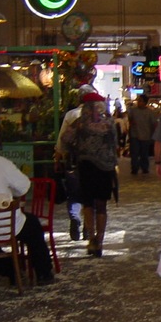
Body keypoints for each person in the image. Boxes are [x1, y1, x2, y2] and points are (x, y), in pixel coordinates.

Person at [0, 149, 55, 285]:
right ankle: (44, 273)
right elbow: (24, 186)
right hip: (9, 225)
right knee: (33, 226)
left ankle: (12, 271)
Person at [60, 92, 117, 257]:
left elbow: (65, 139)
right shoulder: (109, 122)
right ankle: (100, 240)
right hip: (105, 169)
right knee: (101, 205)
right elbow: (114, 143)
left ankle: (91, 238)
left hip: (86, 167)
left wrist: (75, 150)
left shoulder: (79, 123)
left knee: (88, 203)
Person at [54, 83, 96, 241]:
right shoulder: (98, 116)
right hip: (93, 163)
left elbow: (61, 140)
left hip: (73, 161)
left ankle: (75, 217)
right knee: (90, 195)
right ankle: (88, 227)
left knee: (74, 194)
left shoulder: (71, 115)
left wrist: (57, 158)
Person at [126, 94, 157, 175]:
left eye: (140, 101)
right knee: (134, 153)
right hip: (135, 135)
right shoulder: (133, 111)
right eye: (138, 101)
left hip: (146, 135)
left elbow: (153, 124)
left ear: (145, 102)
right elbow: (130, 120)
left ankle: (144, 167)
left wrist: (153, 135)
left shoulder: (150, 112)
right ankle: (134, 168)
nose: (139, 102)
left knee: (144, 153)